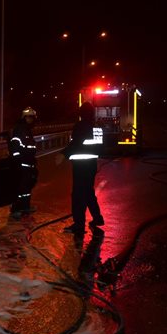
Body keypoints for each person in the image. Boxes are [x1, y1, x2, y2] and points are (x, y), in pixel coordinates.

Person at [60, 101, 104, 236]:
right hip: (91, 165)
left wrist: (63, 154)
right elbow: (99, 148)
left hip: (81, 165)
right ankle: (97, 218)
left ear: (81, 113)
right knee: (88, 192)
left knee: (78, 195)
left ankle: (79, 225)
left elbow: (76, 143)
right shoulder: (97, 127)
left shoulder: (81, 126)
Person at [8, 106, 38, 220]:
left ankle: (25, 206)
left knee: (26, 188)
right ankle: (16, 209)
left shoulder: (26, 129)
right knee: (20, 188)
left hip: (27, 163)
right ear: (25, 118)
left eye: (33, 118)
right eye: (30, 117)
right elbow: (15, 149)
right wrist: (17, 163)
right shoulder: (20, 129)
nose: (32, 120)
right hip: (22, 165)